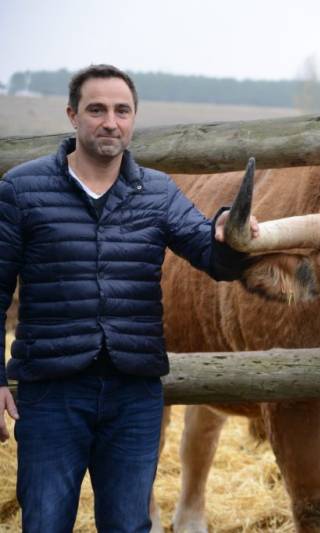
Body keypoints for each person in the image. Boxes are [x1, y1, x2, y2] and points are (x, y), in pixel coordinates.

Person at [0, 64, 257, 532]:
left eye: (122, 111)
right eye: (96, 110)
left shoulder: (156, 192)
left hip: (133, 394)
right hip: (52, 392)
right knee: (44, 522)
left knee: (128, 526)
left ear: (134, 118)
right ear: (72, 115)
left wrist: (226, 233)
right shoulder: (23, 189)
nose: (110, 122)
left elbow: (208, 254)